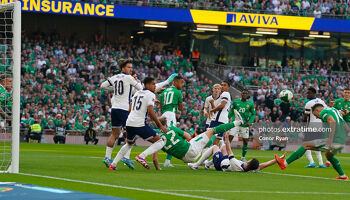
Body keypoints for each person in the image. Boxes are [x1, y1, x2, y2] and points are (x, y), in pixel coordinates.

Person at [108, 77, 168, 171]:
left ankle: (113, 164)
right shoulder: (150, 94)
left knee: (129, 144)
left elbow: (130, 108)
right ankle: (142, 156)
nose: (155, 86)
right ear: (147, 85)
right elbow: (151, 111)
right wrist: (160, 126)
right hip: (139, 123)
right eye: (153, 84)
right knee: (160, 141)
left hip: (129, 122)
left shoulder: (137, 93)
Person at [275, 104, 348, 180]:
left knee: (305, 145)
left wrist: (330, 139)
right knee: (328, 155)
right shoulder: (334, 110)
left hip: (334, 140)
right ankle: (342, 176)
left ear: (317, 110)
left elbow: (332, 122)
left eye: (315, 115)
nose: (316, 117)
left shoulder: (323, 112)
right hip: (341, 140)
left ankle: (284, 163)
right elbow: (346, 125)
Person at [152, 110, 244, 170]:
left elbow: (155, 159)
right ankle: (238, 122)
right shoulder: (171, 128)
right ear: (166, 124)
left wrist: (158, 168)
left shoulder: (156, 136)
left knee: (211, 139)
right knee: (212, 131)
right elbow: (188, 136)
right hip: (190, 150)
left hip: (186, 158)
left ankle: (204, 162)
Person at [100, 59, 143, 168]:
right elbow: (141, 89)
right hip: (124, 109)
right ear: (123, 68)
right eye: (129, 67)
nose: (130, 69)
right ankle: (126, 157)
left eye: (131, 67)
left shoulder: (114, 77)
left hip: (114, 109)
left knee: (115, 134)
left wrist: (113, 89)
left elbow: (102, 86)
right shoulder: (129, 78)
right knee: (132, 133)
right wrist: (136, 80)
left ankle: (107, 157)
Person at [189, 132, 286, 172]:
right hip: (226, 160)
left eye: (250, 160)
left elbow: (229, 150)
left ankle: (196, 165)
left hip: (220, 164)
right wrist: (277, 160)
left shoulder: (237, 165)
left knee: (214, 147)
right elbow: (265, 164)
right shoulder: (252, 169)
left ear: (249, 162)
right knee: (222, 146)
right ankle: (208, 164)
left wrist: (227, 139)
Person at [159, 75, 184, 167]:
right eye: (181, 82)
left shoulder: (164, 91)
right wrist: (179, 104)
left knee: (164, 135)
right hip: (171, 114)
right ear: (175, 82)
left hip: (164, 114)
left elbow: (161, 106)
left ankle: (166, 161)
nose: (182, 85)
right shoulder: (177, 92)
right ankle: (167, 162)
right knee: (173, 136)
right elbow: (181, 108)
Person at [228, 89, 256, 162]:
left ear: (247, 95)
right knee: (230, 137)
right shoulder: (235, 102)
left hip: (244, 125)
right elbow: (231, 111)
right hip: (236, 123)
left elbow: (253, 114)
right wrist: (227, 118)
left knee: (245, 141)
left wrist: (249, 122)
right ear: (241, 94)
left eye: (246, 93)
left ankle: (243, 157)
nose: (244, 94)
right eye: (243, 93)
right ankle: (226, 154)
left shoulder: (250, 103)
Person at [303, 87, 327, 168]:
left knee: (305, 145)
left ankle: (312, 162)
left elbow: (305, 117)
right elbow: (326, 111)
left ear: (313, 93)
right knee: (316, 144)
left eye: (309, 93)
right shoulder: (321, 101)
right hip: (321, 126)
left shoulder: (309, 103)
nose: (307, 94)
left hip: (312, 126)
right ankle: (321, 163)